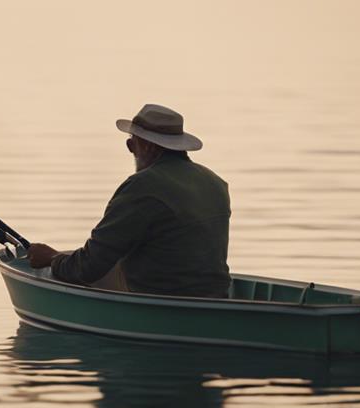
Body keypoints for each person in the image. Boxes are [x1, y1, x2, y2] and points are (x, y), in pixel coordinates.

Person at [27, 104, 231, 298]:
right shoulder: (215, 183)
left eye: (131, 143)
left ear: (149, 147)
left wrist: (53, 258)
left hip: (159, 298)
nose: (130, 150)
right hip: (215, 295)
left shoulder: (141, 187)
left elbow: (89, 267)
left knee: (68, 274)